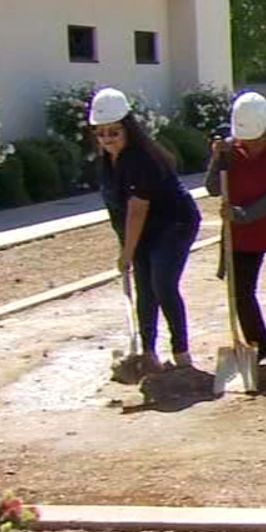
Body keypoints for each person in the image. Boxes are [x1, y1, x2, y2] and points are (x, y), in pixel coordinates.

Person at [91, 87, 201, 373]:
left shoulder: (142, 159)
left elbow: (138, 209)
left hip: (174, 222)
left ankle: (182, 353)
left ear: (128, 129)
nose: (107, 139)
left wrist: (128, 252)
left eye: (113, 132)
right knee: (143, 289)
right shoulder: (105, 163)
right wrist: (125, 247)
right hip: (142, 228)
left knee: (162, 283)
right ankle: (148, 353)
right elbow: (118, 211)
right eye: (101, 133)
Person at [204, 92, 266, 373]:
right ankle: (259, 343)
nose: (249, 143)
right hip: (242, 235)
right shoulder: (229, 150)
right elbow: (212, 187)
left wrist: (243, 213)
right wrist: (216, 159)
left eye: (256, 137)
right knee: (241, 291)